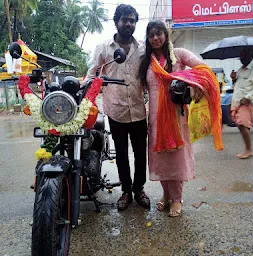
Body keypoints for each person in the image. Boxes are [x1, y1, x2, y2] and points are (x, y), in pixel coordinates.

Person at [139, 20, 207, 217]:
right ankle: (166, 195)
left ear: (166, 34)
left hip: (176, 117)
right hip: (154, 119)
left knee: (175, 159)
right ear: (148, 38)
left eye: (159, 33)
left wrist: (196, 85)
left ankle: (177, 199)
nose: (155, 38)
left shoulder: (179, 54)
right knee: (161, 159)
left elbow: (202, 69)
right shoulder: (147, 61)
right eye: (151, 34)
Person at [86, 4, 150, 211]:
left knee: (140, 153)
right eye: (125, 19)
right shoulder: (104, 48)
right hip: (115, 109)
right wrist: (82, 91)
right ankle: (125, 191)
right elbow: (92, 74)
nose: (128, 23)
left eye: (132, 20)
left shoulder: (142, 48)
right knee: (121, 153)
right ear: (116, 22)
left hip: (139, 109)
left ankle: (139, 189)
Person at [230, 49, 253, 159]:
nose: (241, 58)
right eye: (240, 55)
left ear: (251, 54)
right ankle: (247, 148)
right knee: (242, 125)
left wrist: (248, 97)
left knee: (241, 123)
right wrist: (233, 79)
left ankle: (249, 150)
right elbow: (236, 86)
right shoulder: (241, 70)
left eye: (244, 55)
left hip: (247, 101)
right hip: (238, 101)